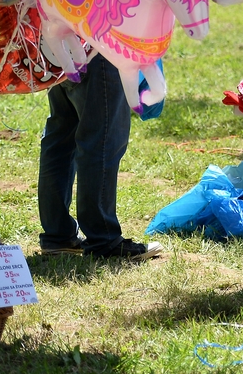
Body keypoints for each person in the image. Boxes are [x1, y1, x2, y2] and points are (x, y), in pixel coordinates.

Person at [38, 55, 163, 260]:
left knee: (60, 139)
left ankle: (58, 236)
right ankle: (104, 240)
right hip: (100, 51)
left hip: (60, 49)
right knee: (102, 141)